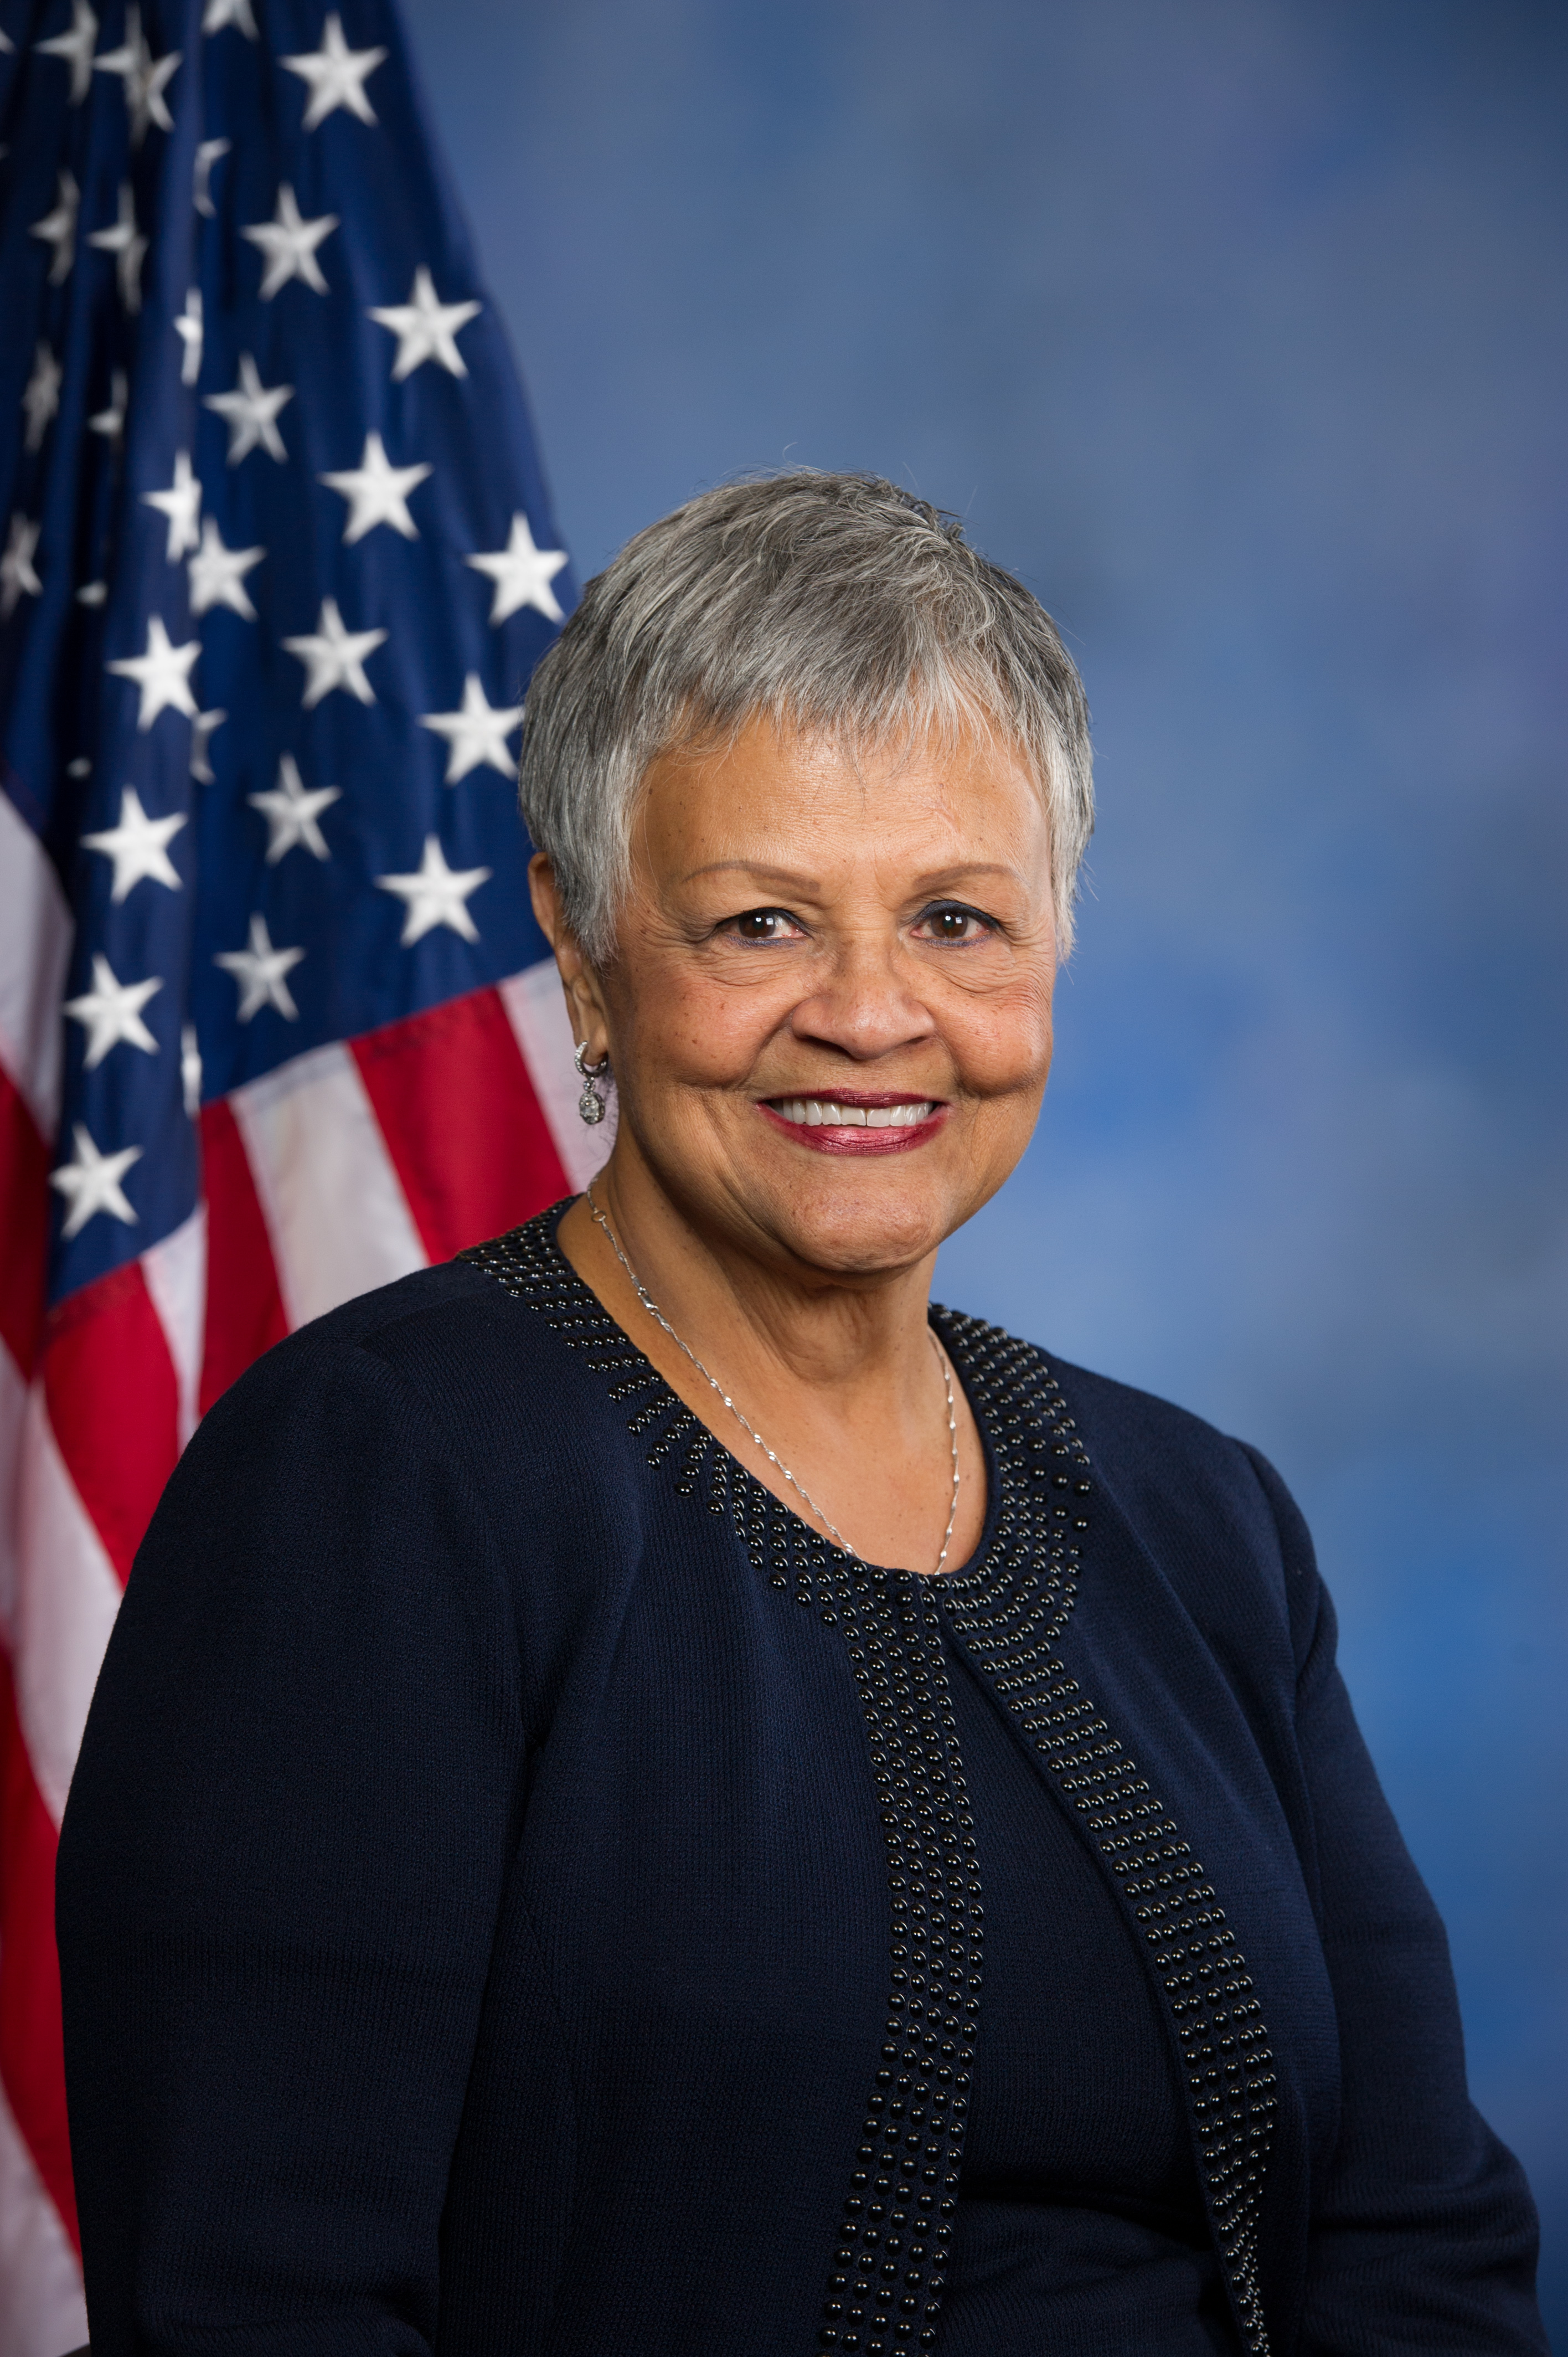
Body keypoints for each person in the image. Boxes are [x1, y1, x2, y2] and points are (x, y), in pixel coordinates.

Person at [58, 472, 1545, 2357]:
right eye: (758, 924)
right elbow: (253, 2314)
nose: (869, 1012)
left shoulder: (1202, 1521)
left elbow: (1419, 2249)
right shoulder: (375, 1488)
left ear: (1054, 948)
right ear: (584, 960)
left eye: (954, 917)